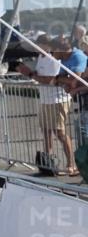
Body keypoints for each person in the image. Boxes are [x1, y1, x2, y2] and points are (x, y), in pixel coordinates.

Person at [18, 38, 77, 176]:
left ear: (45, 45)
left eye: (37, 44)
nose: (35, 47)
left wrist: (30, 74)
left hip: (57, 99)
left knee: (60, 132)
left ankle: (71, 164)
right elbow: (41, 77)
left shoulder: (53, 59)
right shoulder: (41, 57)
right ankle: (49, 163)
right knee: (46, 131)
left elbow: (52, 80)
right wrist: (29, 72)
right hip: (45, 100)